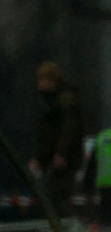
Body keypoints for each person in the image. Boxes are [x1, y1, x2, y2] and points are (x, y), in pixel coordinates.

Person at [33, 61, 84, 220]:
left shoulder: (64, 100)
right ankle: (65, 229)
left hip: (64, 159)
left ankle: (72, 229)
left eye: (42, 80)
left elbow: (68, 129)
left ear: (50, 80)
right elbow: (46, 134)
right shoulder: (51, 100)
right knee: (53, 198)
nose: (39, 84)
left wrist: (61, 153)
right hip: (56, 158)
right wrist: (40, 158)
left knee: (56, 198)